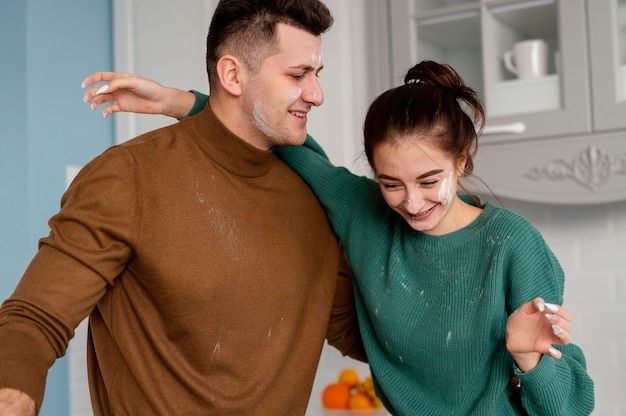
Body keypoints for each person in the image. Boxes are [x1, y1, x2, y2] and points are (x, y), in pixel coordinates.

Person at [80, 61, 595, 415]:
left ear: (461, 161)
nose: (412, 203)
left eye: (429, 181)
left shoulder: (513, 244)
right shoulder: (364, 210)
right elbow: (285, 147)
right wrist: (177, 101)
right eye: (392, 183)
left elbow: (570, 408)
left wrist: (527, 357)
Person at [0, 1, 367, 415]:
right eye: (298, 74)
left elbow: (359, 332)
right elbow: (34, 317)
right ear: (232, 75)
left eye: (317, 75)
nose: (317, 94)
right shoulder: (129, 177)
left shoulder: (312, 196)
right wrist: (14, 395)